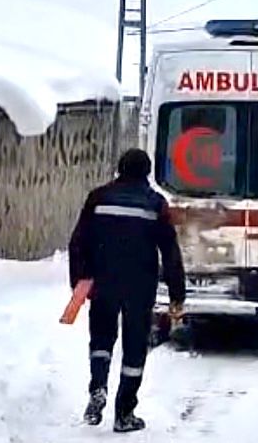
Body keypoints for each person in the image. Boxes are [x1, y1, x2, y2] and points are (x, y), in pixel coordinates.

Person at [68, 148, 186, 433]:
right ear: (147, 172)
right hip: (139, 285)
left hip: (103, 282)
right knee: (134, 347)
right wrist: (176, 295)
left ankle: (98, 386)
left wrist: (80, 282)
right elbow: (170, 252)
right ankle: (124, 413)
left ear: (120, 169)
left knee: (101, 340)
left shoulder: (98, 197)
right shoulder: (155, 204)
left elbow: (78, 241)